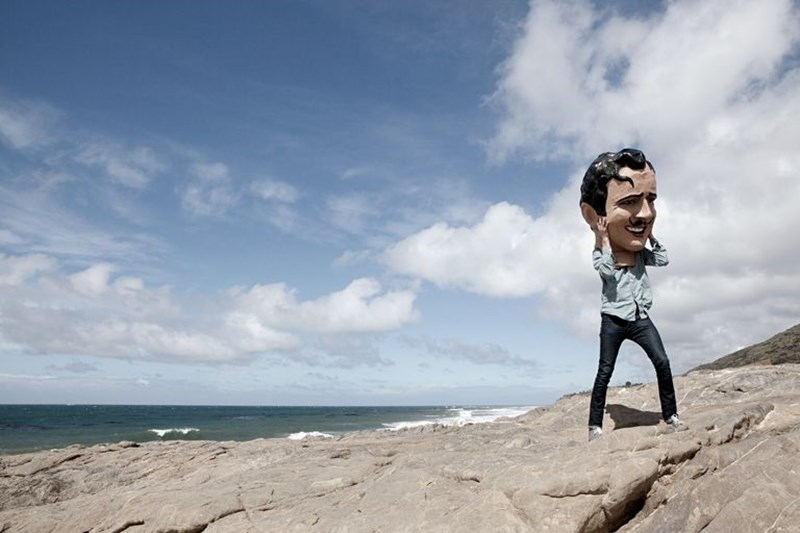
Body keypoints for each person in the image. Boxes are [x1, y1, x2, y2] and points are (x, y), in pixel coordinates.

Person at [579, 148, 684, 441]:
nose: (646, 213)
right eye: (630, 202)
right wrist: (602, 241)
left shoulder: (641, 254)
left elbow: (662, 260)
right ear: (593, 215)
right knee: (605, 372)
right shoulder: (601, 253)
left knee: (662, 361)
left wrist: (650, 237)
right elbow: (607, 273)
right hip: (613, 319)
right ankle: (594, 426)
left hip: (640, 317)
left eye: (650, 201)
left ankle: (671, 415)